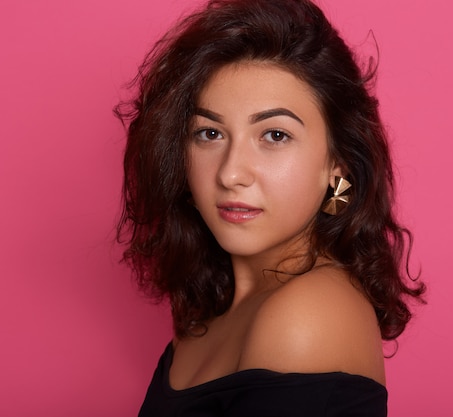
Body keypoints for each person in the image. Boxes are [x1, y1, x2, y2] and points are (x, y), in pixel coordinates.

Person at [115, 0, 425, 415]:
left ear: (338, 165)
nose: (231, 173)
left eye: (275, 135)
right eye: (209, 133)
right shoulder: (214, 309)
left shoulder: (306, 313)